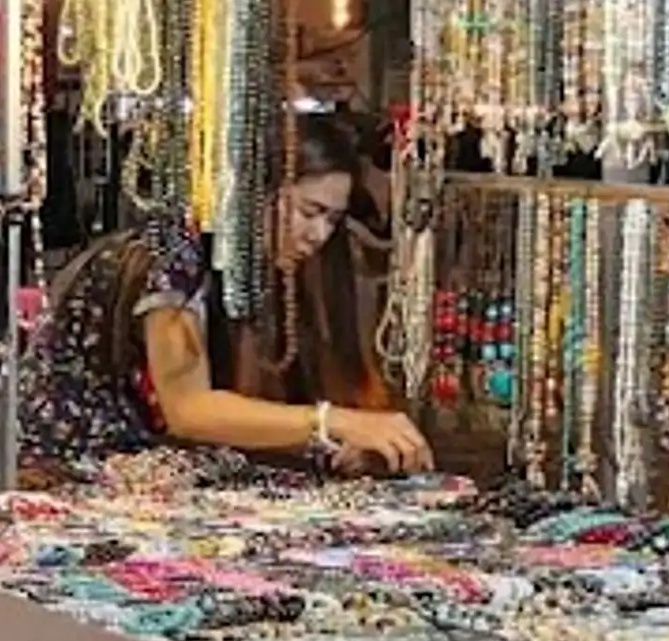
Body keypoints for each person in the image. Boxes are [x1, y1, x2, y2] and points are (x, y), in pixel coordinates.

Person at [29, 106, 433, 474]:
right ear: (257, 194)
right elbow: (188, 409)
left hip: (153, 465)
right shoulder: (174, 249)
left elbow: (251, 403)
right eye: (310, 212)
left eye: (333, 220)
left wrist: (339, 444)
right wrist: (335, 422)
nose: (319, 235)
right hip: (70, 466)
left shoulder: (266, 266)